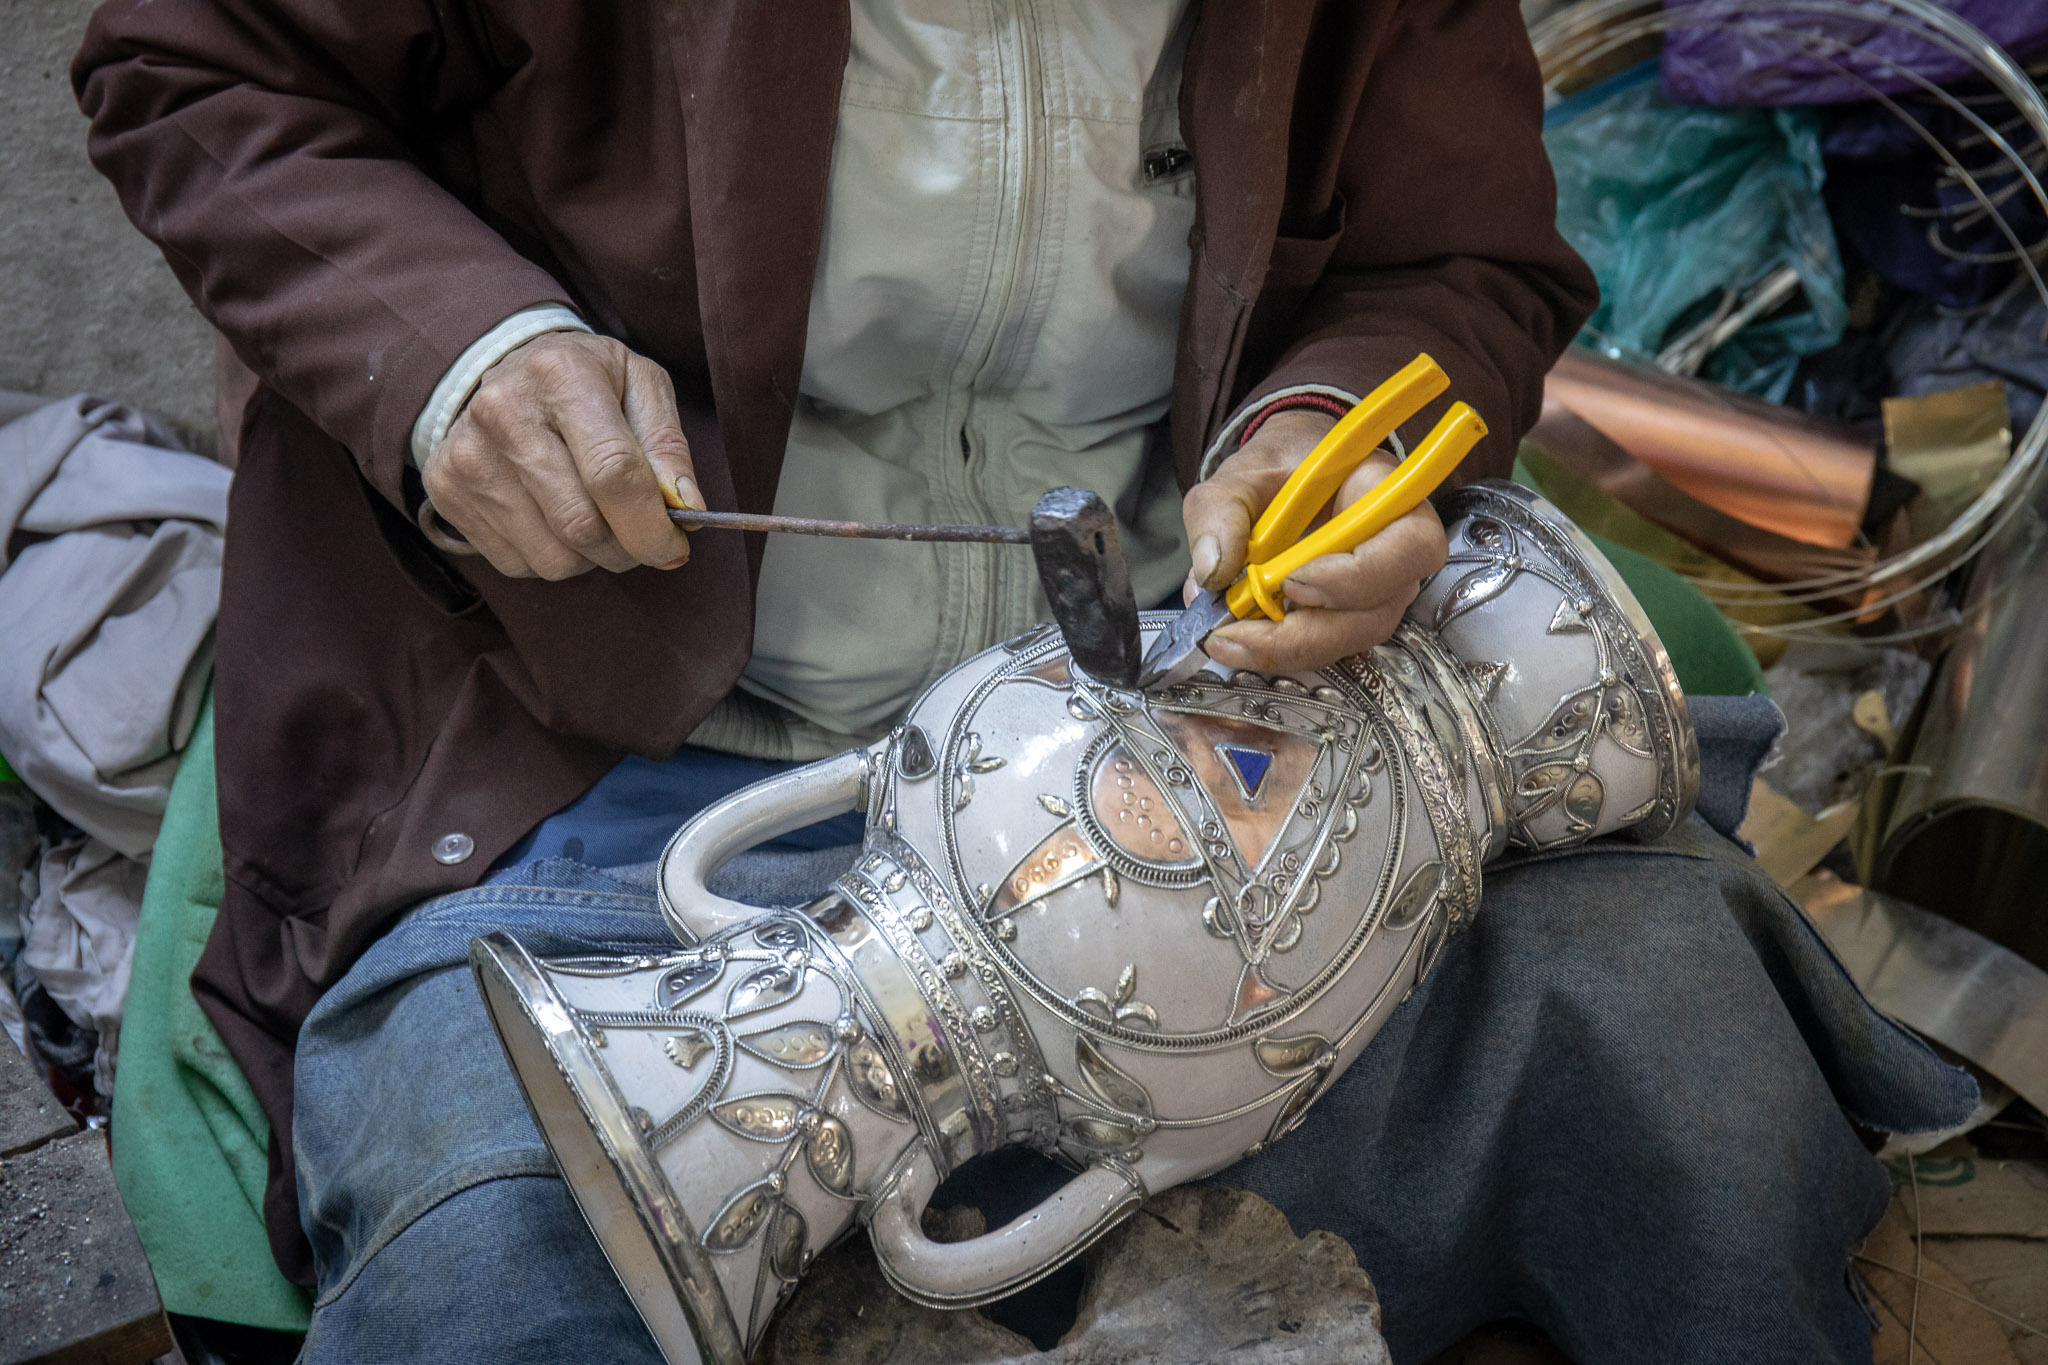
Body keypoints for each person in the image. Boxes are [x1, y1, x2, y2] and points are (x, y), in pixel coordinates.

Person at [75, 2, 1973, 1361]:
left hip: (1205, 711)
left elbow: (1461, 258)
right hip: (620, 762)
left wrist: (1325, 435)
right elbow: (195, 59)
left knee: (1684, 1055)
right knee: (510, 1250)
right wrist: (460, 356)